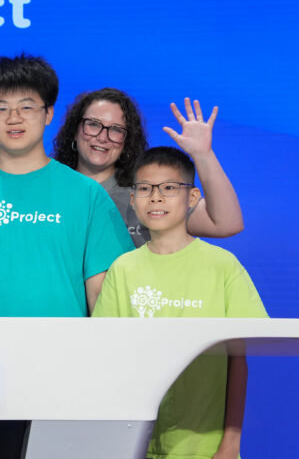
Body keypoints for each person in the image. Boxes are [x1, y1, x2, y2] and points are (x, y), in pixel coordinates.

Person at [0, 54, 133, 316]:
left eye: (26, 107)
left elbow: (102, 293)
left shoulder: (89, 196)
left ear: (48, 113)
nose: (14, 118)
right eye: (1, 108)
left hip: (67, 352)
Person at [93, 146, 266, 458]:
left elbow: (238, 361)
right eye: (144, 189)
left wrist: (230, 442)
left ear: (193, 198)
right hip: (134, 442)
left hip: (205, 445)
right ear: (133, 199)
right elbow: (107, 357)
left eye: (169, 188)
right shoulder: (122, 269)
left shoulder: (222, 266)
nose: (156, 197)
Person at [52, 89, 243, 247]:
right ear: (74, 131)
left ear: (127, 142)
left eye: (116, 130)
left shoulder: (148, 192)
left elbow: (226, 224)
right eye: (93, 125)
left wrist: (203, 154)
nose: (103, 137)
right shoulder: (47, 189)